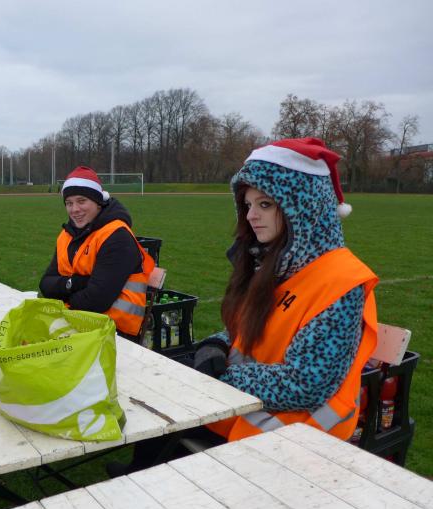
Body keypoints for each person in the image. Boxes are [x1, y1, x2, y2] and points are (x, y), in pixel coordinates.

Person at [107, 137, 378, 477]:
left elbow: (307, 385)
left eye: (265, 204)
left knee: (177, 401)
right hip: (255, 404)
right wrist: (216, 344)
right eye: (247, 205)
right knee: (170, 389)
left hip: (301, 428)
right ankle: (141, 471)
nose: (251, 216)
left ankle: (146, 476)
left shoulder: (342, 281)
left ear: (304, 206)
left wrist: (221, 376)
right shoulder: (276, 262)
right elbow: (246, 326)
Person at [39, 166, 155, 340]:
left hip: (115, 333)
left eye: (81, 201)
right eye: (69, 203)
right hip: (80, 324)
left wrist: (63, 296)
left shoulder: (117, 236)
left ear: (98, 202)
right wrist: (74, 283)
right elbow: (45, 284)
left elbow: (96, 300)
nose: (74, 209)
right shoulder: (66, 235)